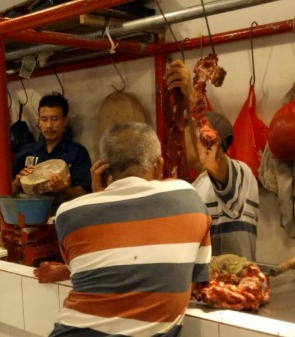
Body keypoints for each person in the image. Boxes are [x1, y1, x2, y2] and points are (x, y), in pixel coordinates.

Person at [50, 122, 211, 337]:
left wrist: (97, 197)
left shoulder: (68, 213)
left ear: (103, 169)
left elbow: (88, 271)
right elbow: (190, 282)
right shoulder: (188, 198)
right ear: (159, 165)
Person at [165, 59, 260, 261]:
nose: (183, 142)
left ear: (209, 139)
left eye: (190, 135)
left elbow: (217, 163)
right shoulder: (198, 184)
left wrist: (193, 97)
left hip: (235, 286)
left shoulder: (239, 174)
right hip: (207, 287)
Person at [11, 92, 92, 205]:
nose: (49, 125)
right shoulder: (26, 152)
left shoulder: (78, 153)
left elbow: (85, 194)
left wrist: (64, 189)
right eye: (44, 119)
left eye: (54, 119)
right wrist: (17, 183)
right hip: (31, 217)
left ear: (65, 121)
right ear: (39, 121)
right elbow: (7, 193)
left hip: (65, 217)